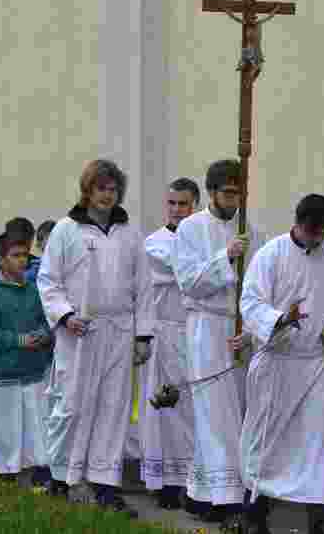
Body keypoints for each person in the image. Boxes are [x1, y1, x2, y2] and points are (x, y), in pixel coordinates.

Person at [38, 159, 149, 516]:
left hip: (118, 332)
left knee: (113, 408)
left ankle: (106, 485)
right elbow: (48, 281)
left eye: (113, 189)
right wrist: (65, 315)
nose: (107, 195)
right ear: (88, 190)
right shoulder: (66, 230)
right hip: (79, 333)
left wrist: (143, 335)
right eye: (101, 188)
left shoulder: (130, 233)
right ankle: (59, 478)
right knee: (71, 405)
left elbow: (144, 288)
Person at [239, 194, 324, 534]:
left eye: (323, 233)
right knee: (267, 438)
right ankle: (255, 510)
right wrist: (279, 319)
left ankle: (321, 517)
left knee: (317, 440)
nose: (316, 239)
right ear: (298, 223)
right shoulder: (270, 255)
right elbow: (251, 301)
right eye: (311, 232)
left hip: (316, 363)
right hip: (277, 361)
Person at [172, 159, 260, 523]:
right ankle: (228, 500)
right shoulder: (190, 229)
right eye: (227, 191)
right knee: (214, 412)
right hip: (206, 328)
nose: (234, 198)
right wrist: (225, 256)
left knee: (233, 412)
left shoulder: (250, 230)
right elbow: (188, 281)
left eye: (239, 191)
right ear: (211, 192)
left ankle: (202, 494)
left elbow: (258, 286)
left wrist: (252, 328)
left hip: (236, 331)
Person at [139, 177, 200, 509]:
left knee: (193, 412)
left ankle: (192, 483)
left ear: (195, 205)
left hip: (195, 335)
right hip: (163, 335)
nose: (177, 210)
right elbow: (182, 272)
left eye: (184, 204)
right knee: (164, 410)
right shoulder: (153, 242)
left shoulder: (202, 240)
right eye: (172, 204)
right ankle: (164, 484)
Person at [0, 229, 53, 486]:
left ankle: (40, 473)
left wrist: (44, 334)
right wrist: (19, 340)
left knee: (37, 425)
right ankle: (5, 475)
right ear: (1, 259)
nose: (22, 260)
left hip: (33, 371)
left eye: (25, 255)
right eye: (15, 255)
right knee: (5, 428)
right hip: (5, 373)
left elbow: (46, 321)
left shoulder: (33, 290)